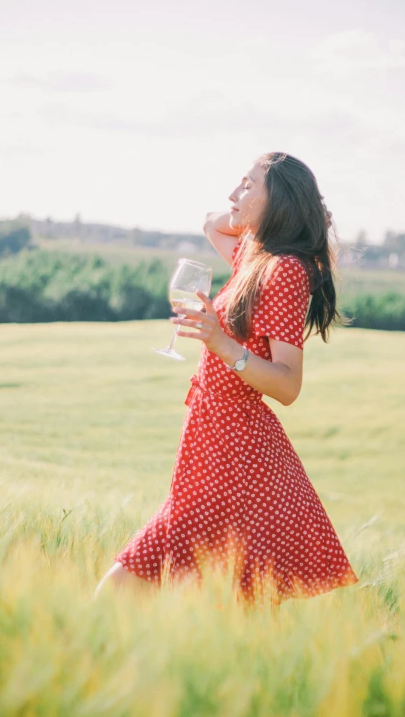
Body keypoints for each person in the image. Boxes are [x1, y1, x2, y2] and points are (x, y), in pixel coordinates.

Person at [94, 151, 359, 608]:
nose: (232, 194)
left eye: (247, 184)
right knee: (210, 602)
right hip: (208, 446)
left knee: (143, 591)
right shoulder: (256, 258)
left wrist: (222, 344)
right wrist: (249, 211)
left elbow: (288, 384)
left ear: (277, 200)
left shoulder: (285, 271)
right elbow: (210, 224)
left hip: (234, 460)